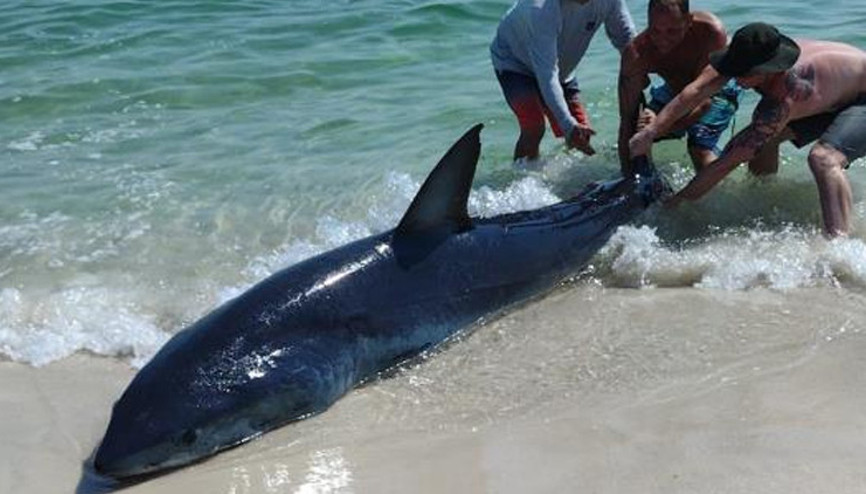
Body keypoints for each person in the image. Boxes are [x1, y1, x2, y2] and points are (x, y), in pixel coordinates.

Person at [629, 22, 866, 237]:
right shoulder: (741, 54)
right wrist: (651, 131)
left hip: (859, 98)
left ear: (767, 70)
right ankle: (765, 199)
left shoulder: (784, 98)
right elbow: (694, 92)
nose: (735, 77)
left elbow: (729, 160)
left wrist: (677, 201)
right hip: (834, 94)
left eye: (743, 74)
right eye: (733, 69)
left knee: (823, 159)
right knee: (763, 143)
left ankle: (838, 248)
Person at [490, 0, 636, 162]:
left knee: (582, 133)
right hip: (515, 64)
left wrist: (639, 73)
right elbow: (547, 74)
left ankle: (565, 178)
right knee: (534, 125)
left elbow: (626, 39)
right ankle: (522, 181)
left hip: (562, 69)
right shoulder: (540, 9)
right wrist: (567, 125)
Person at [617, 0, 741, 176]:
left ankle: (718, 193)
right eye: (655, 30)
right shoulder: (636, 54)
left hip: (716, 89)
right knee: (639, 127)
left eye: (672, 31)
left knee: (699, 148)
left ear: (688, 21)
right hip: (674, 89)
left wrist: (659, 128)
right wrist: (629, 176)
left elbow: (702, 102)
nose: (663, 40)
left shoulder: (710, 33)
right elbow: (626, 122)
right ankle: (646, 184)